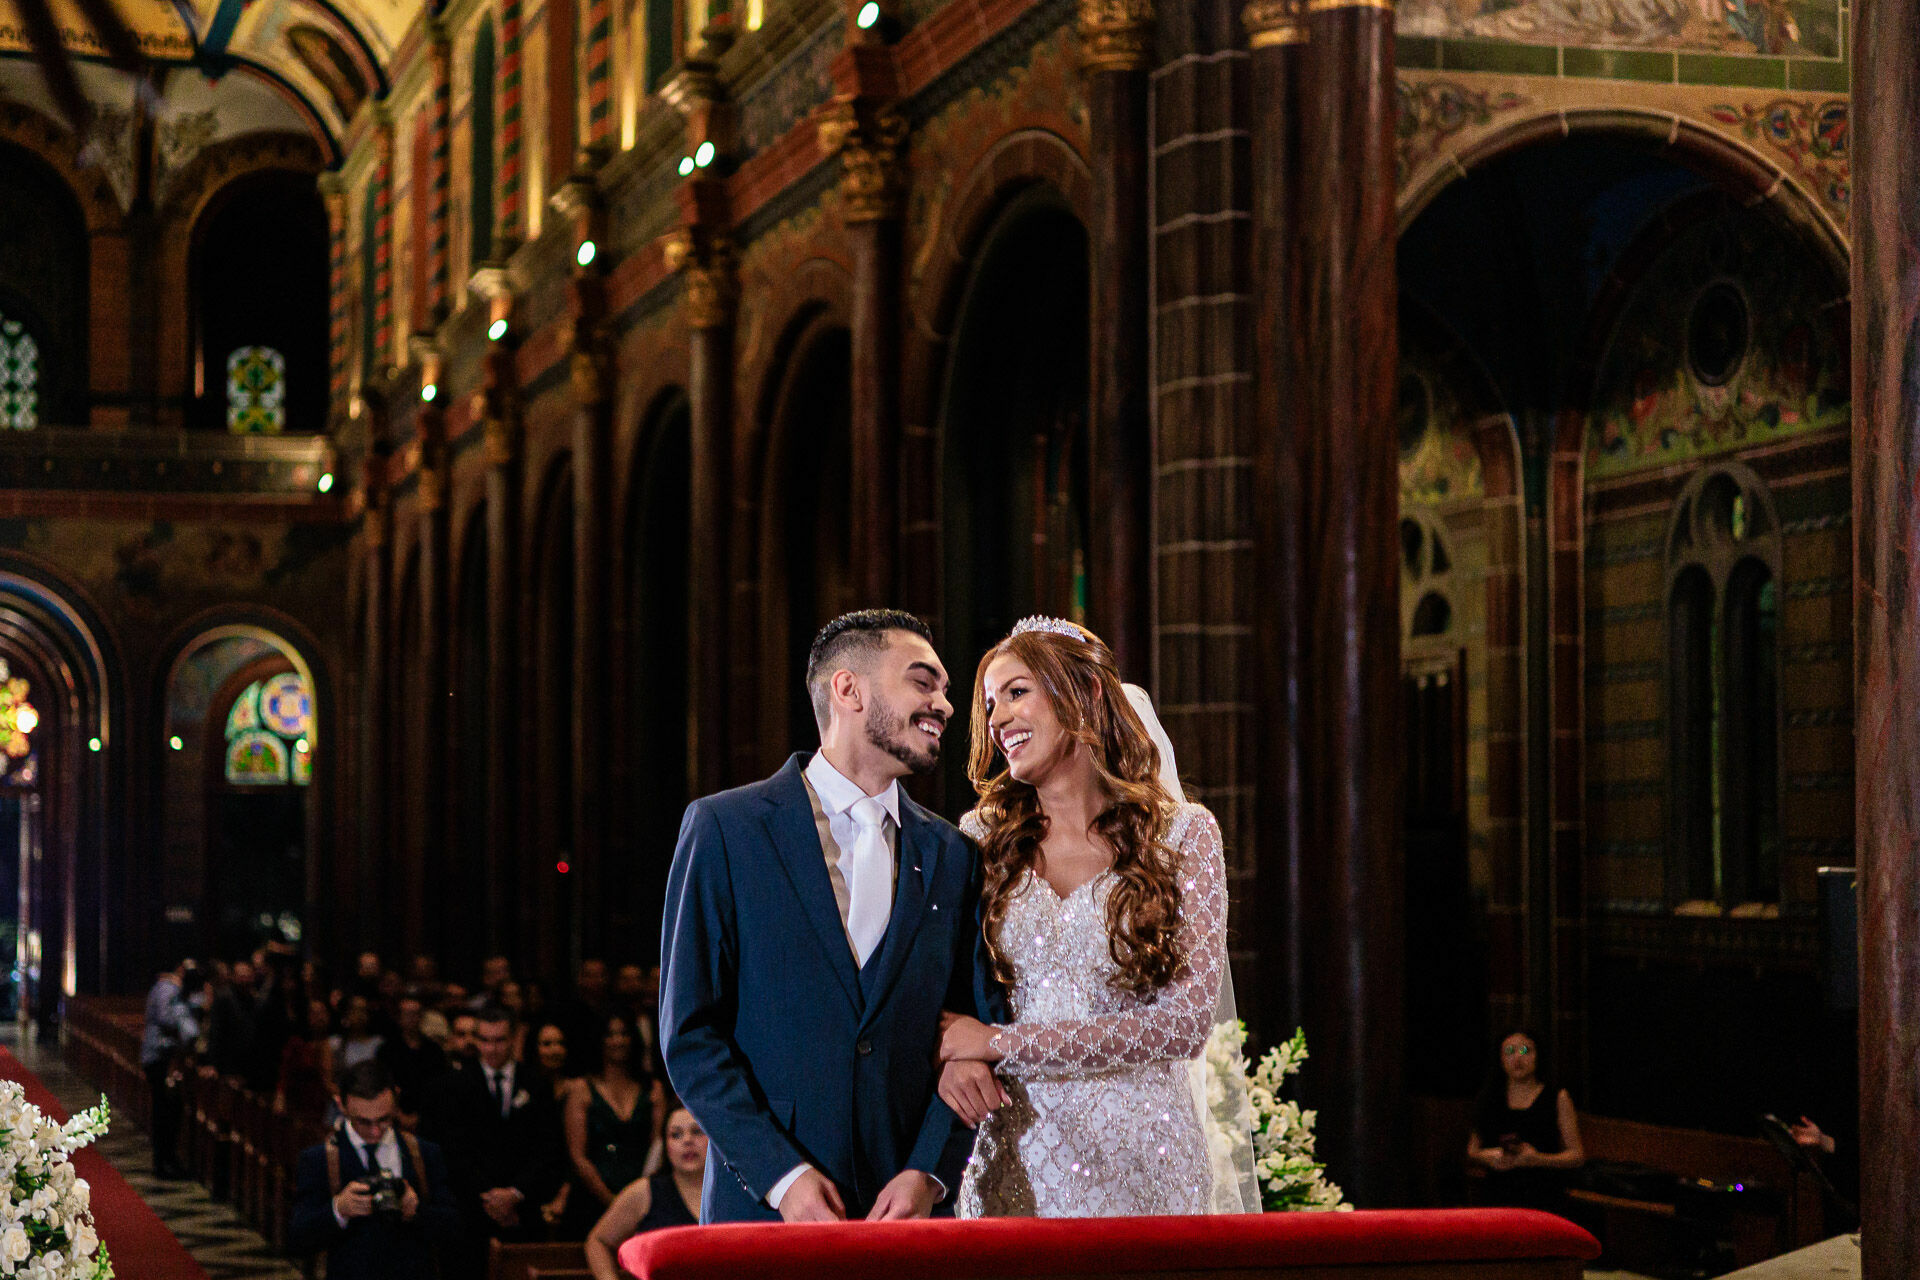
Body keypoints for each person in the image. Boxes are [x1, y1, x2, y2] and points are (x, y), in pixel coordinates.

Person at [660, 608, 1001, 1223]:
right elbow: (689, 1034)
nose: (946, 705)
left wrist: (929, 1172)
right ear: (848, 689)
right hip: (763, 1213)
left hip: (907, 1216)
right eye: (923, 682)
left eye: (945, 690)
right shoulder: (726, 829)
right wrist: (781, 1178)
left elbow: (973, 1029)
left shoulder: (953, 855)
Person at [935, 617, 1236, 1218]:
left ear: (1087, 691)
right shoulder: (980, 840)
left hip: (1146, 1167)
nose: (997, 719)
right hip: (1017, 1159)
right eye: (990, 705)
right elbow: (944, 992)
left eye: (1016, 692)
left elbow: (1182, 1026)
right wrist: (954, 1054)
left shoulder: (1183, 836)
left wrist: (997, 1044)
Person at [288, 1061, 461, 1280]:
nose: (375, 1132)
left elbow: (454, 1229)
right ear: (341, 1105)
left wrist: (417, 1211)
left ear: (396, 1100)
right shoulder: (318, 1159)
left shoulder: (424, 1153)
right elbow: (297, 1240)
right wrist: (338, 1210)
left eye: (384, 1119)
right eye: (362, 1122)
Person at [432, 1005, 565, 1272]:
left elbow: (548, 1148)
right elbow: (453, 1150)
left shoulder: (537, 1084)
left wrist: (515, 1194)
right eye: (484, 1040)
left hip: (524, 1210)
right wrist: (491, 1199)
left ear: (514, 1039)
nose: (491, 1049)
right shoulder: (453, 1084)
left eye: (500, 1040)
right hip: (472, 1213)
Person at [585, 1102, 707, 1280]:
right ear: (665, 1145)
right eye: (676, 1135)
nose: (687, 1141)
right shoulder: (644, 1192)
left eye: (697, 1131)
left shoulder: (736, 1190)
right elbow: (598, 1242)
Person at [1467, 1029, 1586, 1211]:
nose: (1517, 1058)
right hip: (1498, 1191)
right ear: (1500, 1059)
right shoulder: (1489, 1098)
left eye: (1525, 1050)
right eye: (1509, 1051)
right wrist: (1491, 1157)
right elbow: (1473, 1151)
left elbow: (1577, 1156)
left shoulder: (1557, 1097)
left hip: (1543, 1192)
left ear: (1538, 1055)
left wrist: (1538, 1159)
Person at [565, 1010, 660, 1221]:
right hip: (591, 1200)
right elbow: (578, 1157)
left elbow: (658, 1149)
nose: (618, 1041)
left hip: (643, 1197)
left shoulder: (653, 1089)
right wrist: (613, 1202)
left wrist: (637, 1200)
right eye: (610, 1034)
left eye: (624, 1034)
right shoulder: (582, 1089)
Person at [139, 959, 204, 1178]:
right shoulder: (167, 988)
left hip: (165, 1057)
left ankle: (169, 1159)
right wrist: (187, 1010)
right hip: (159, 1057)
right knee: (164, 1111)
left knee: (171, 1111)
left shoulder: (174, 990)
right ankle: (162, 1163)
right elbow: (166, 1017)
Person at [376, 990, 448, 1132]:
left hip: (430, 1117)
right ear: (399, 1017)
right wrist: (399, 1114)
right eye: (407, 1014)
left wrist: (420, 1116)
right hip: (394, 1117)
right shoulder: (386, 1050)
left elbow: (440, 1086)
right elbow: (382, 1083)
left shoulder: (434, 1050)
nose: (412, 1018)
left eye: (416, 1014)